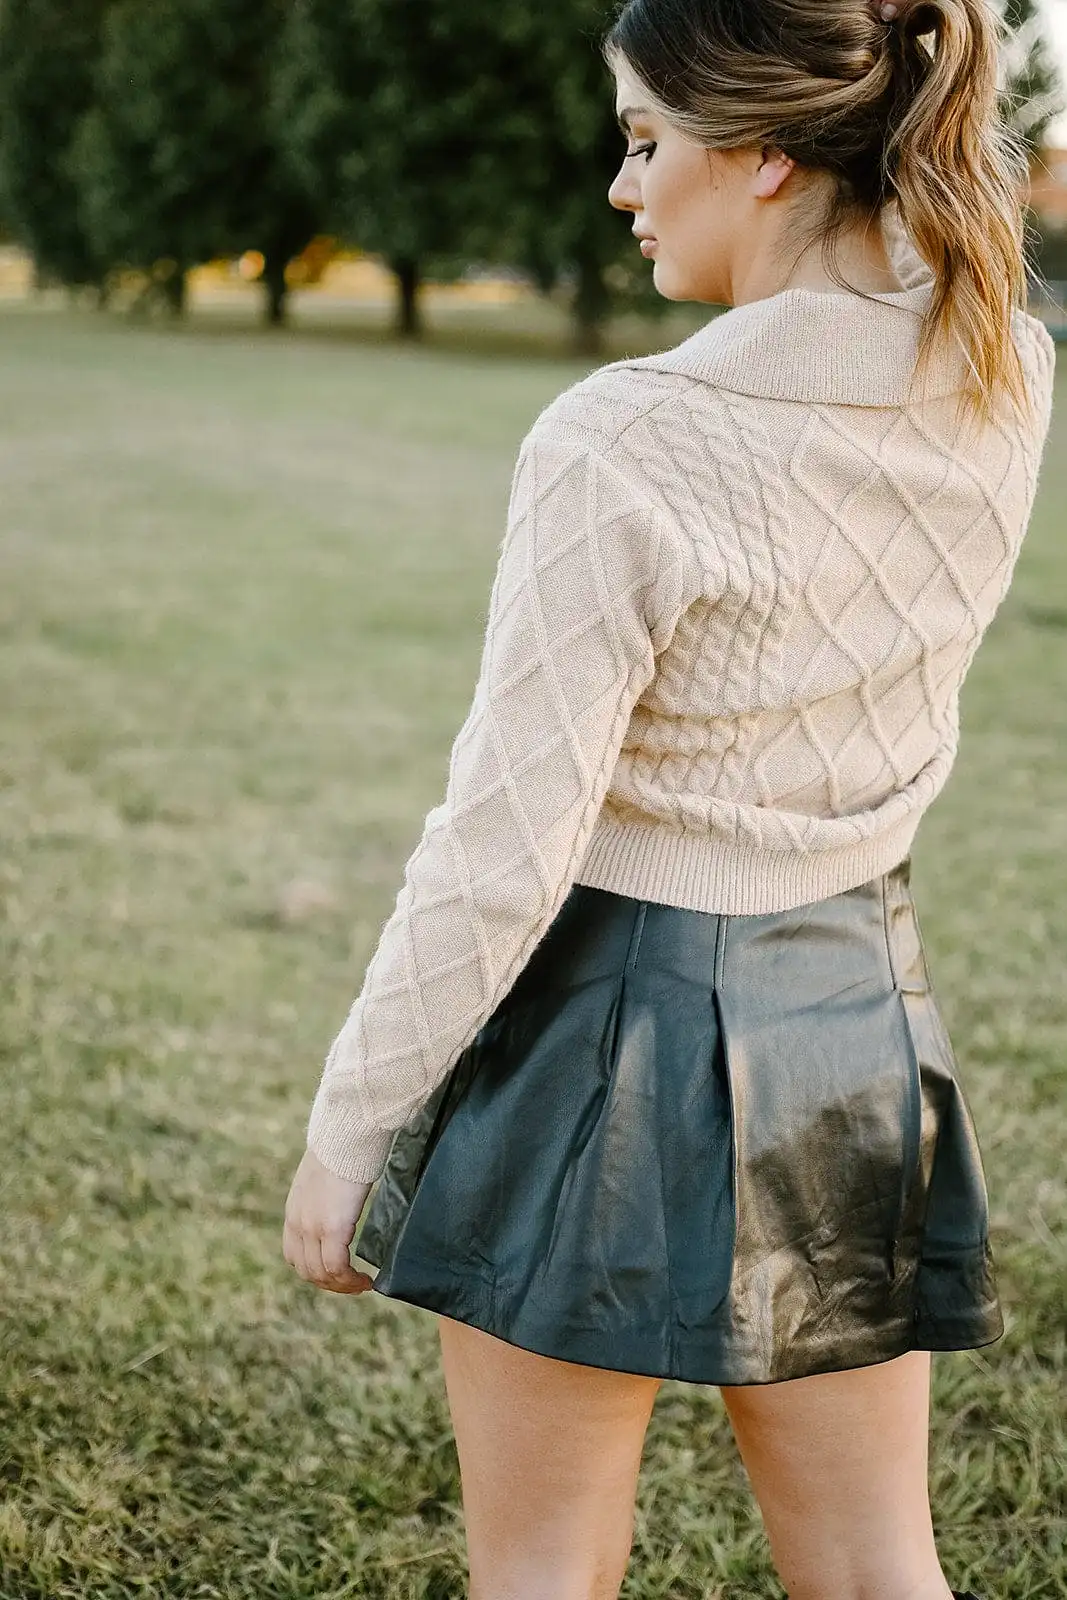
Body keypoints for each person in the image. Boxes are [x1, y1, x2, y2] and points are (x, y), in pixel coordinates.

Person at [282, 0, 1056, 1595]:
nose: (621, 188)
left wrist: (349, 1129)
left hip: (599, 1039)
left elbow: (506, 841)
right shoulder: (1001, 371)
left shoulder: (625, 438)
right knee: (872, 1565)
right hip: (856, 1019)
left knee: (545, 1572)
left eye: (645, 141)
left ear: (764, 152)